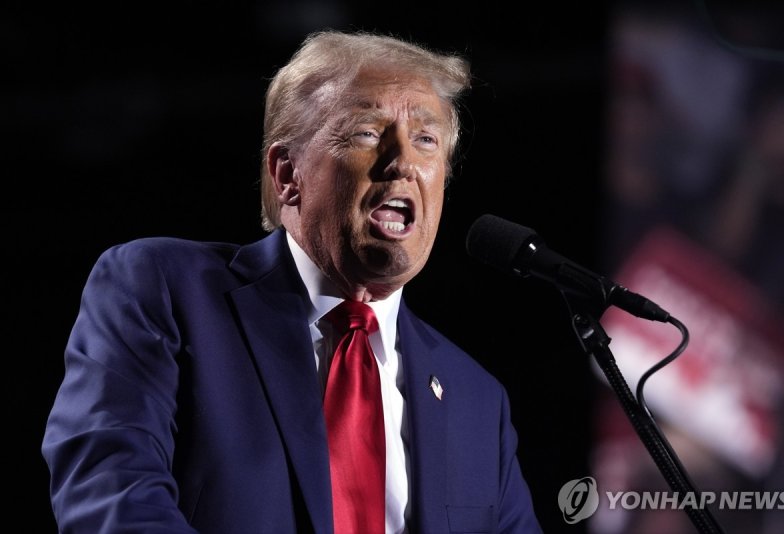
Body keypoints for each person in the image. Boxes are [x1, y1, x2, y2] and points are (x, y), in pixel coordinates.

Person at [42, 29, 543, 533]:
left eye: (425, 140)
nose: (403, 164)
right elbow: (112, 493)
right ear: (287, 174)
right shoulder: (165, 291)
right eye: (367, 133)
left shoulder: (478, 401)